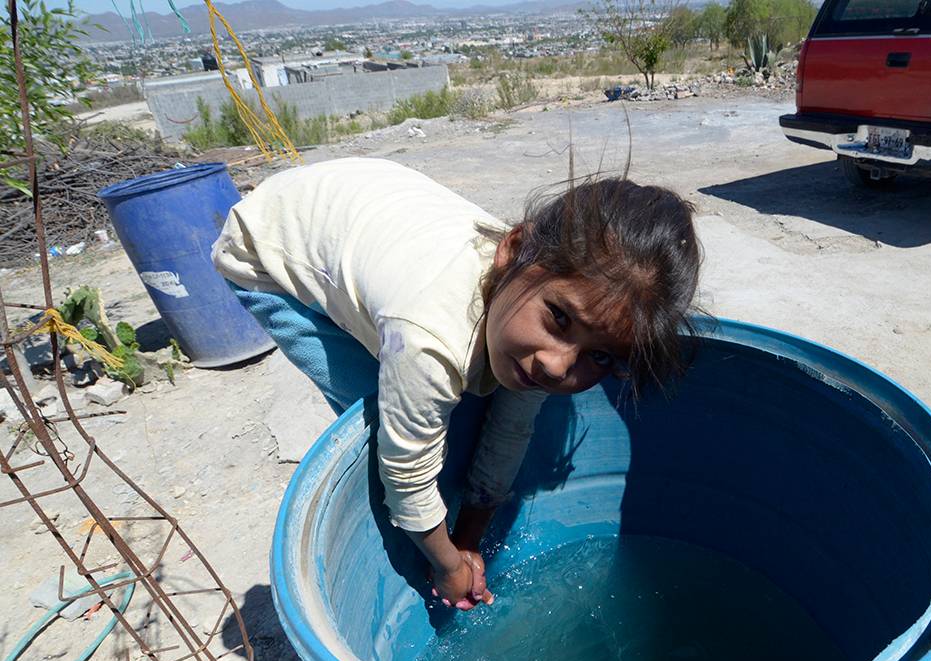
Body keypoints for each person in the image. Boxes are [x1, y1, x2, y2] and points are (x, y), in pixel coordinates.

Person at [212, 157, 702, 612]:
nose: (556, 366)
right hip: (270, 245)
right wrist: (447, 565)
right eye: (558, 318)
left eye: (599, 356)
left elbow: (512, 426)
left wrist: (471, 532)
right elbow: (405, 472)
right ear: (511, 251)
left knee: (441, 393)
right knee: (381, 409)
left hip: (369, 213)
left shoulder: (533, 304)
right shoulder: (429, 336)